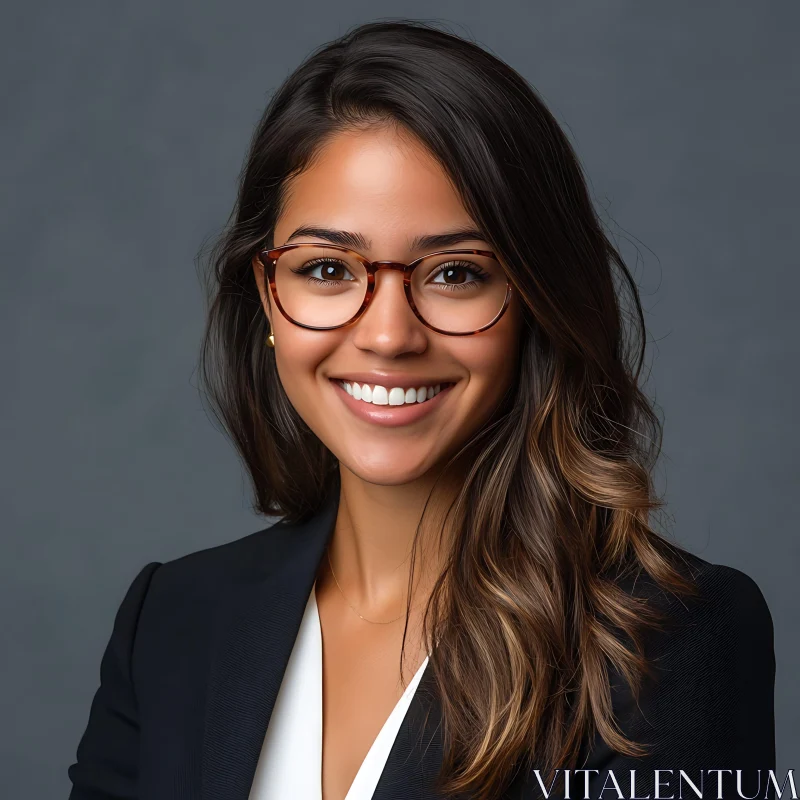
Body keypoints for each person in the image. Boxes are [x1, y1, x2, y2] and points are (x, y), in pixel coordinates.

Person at [67, 20, 776, 800]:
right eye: (329, 268)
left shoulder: (666, 639)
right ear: (267, 296)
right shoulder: (171, 622)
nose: (388, 335)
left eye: (455, 274)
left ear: (536, 300)